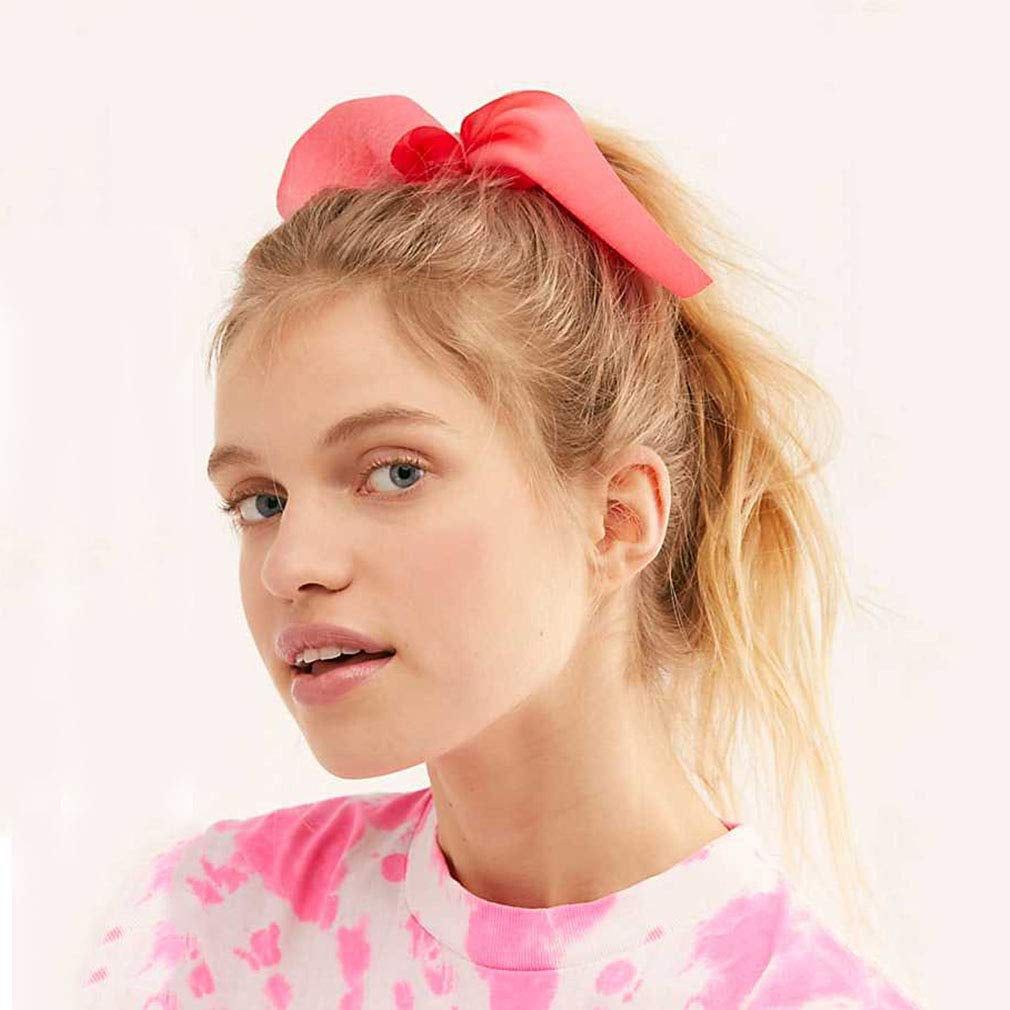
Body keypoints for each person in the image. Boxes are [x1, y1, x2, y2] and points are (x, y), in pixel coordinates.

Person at [80, 90, 922, 1008]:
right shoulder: (209, 927)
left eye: (395, 473)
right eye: (261, 501)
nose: (291, 564)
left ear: (617, 519)